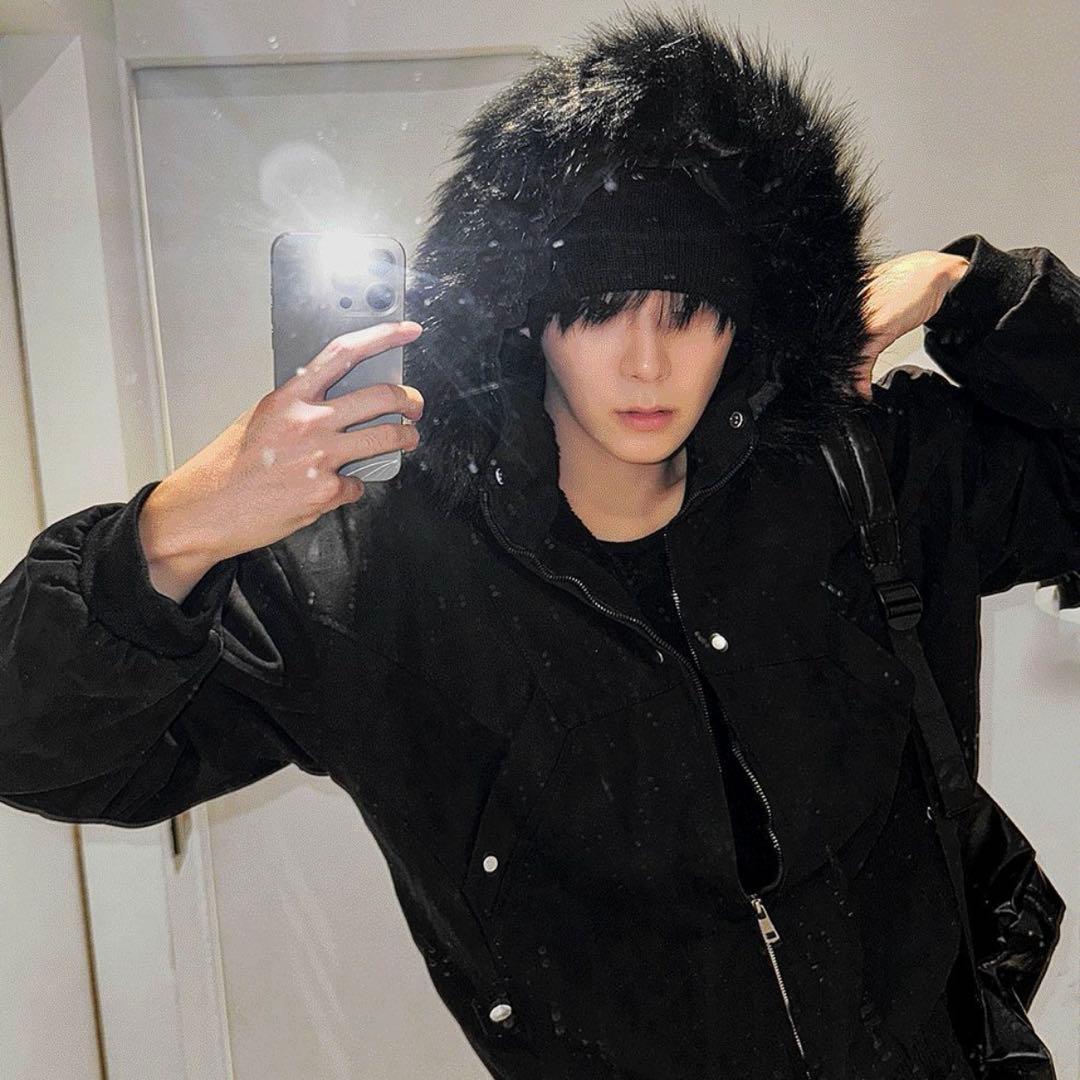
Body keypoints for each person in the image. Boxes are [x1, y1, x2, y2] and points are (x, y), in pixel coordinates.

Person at [1, 8, 1076, 1079]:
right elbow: (36, 751)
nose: (647, 364)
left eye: (688, 309)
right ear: (528, 316)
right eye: (600, 307)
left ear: (749, 315)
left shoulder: (862, 471)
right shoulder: (369, 576)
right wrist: (176, 529)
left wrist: (974, 291)